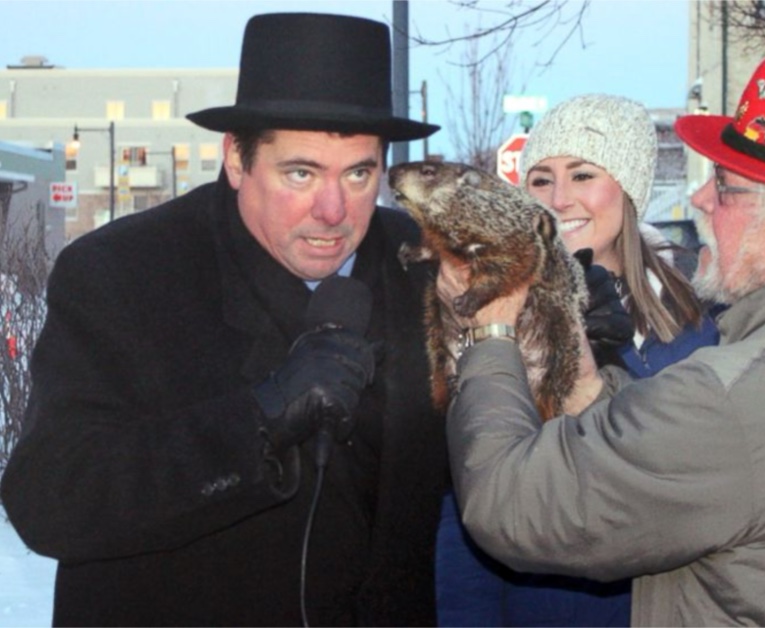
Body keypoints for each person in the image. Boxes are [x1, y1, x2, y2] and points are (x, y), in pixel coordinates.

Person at [437, 49, 765, 625]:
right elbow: (726, 465)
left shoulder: (733, 391)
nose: (698, 199)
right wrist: (592, 387)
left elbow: (510, 505)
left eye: (726, 186)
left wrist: (490, 328)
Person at [0, 13, 448, 627]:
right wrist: (259, 419)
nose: (333, 209)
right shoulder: (123, 274)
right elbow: (50, 499)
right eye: (301, 172)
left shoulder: (424, 269)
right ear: (236, 160)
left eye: (358, 173)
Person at [435, 94, 719, 626]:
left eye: (583, 175)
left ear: (629, 188)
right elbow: (469, 504)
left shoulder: (699, 332)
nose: (559, 198)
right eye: (541, 179)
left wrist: (610, 370)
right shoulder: (496, 322)